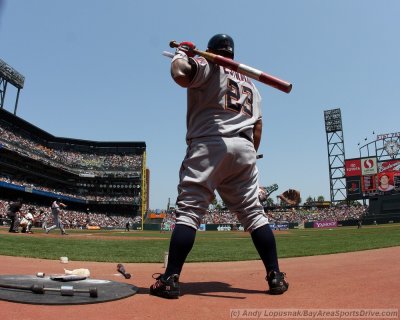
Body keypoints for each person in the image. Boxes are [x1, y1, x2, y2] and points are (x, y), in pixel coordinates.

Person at [150, 34, 291, 299]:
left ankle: (170, 279)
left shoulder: (207, 64)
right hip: (246, 148)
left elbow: (179, 75)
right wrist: (245, 158)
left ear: (211, 50)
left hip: (209, 142)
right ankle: (275, 276)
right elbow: (258, 128)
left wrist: (182, 54)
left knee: (190, 211)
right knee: (253, 214)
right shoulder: (253, 87)